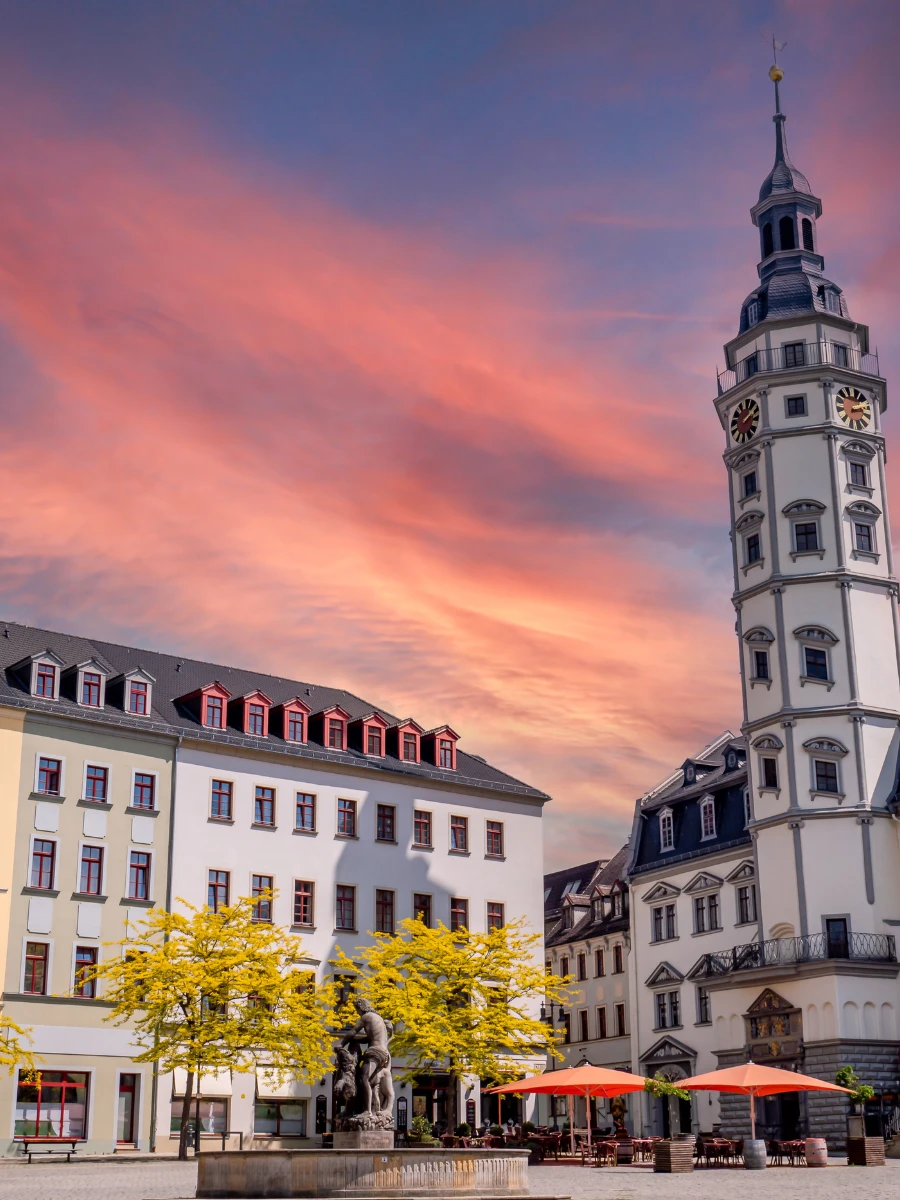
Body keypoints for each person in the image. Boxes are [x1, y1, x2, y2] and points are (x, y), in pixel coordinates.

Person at [340, 998, 394, 1115]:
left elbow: (353, 1031)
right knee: (373, 1081)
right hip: (384, 1053)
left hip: (374, 1052)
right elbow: (369, 1038)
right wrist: (356, 1040)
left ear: (361, 1007)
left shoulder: (366, 1017)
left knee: (363, 1078)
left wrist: (341, 1044)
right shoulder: (377, 1018)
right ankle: (373, 1109)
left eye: (357, 1010)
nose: (357, 1012)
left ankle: (367, 1111)